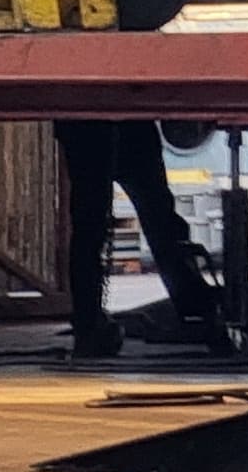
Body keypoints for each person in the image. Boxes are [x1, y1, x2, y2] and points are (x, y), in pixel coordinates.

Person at [53, 119, 221, 359]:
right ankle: (197, 308)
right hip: (124, 119)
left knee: (90, 226)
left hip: (87, 120)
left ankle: (88, 325)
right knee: (158, 219)